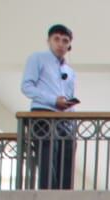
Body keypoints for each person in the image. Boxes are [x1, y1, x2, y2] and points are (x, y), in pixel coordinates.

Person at [20, 24, 77, 190]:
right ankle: (47, 197)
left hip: (64, 120)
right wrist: (53, 100)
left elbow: (69, 96)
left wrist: (72, 119)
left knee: (66, 160)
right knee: (47, 158)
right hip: (43, 115)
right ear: (49, 41)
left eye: (65, 41)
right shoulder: (37, 58)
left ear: (69, 45)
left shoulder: (70, 71)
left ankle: (64, 198)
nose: (60, 44)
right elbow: (27, 87)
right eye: (57, 39)